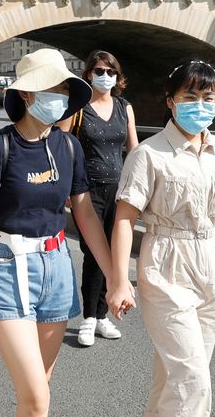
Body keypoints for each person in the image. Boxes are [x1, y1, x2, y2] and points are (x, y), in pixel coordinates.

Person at [107, 59, 215, 416]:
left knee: (176, 375)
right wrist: (119, 281)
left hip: (210, 261)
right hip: (164, 264)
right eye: (190, 95)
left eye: (208, 96)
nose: (200, 104)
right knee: (192, 379)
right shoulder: (148, 154)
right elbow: (124, 220)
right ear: (170, 100)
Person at [0, 49, 130, 416]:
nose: (60, 96)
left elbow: (84, 214)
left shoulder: (68, 146)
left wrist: (117, 279)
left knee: (38, 392)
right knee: (37, 398)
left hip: (56, 265)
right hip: (6, 265)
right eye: (50, 87)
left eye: (64, 88)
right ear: (25, 94)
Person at [57, 50, 138, 347]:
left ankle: (102, 315)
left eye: (111, 71)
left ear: (118, 76)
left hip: (120, 191)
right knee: (94, 253)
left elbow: (134, 150)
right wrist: (65, 187)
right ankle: (89, 318)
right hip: (86, 191)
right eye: (100, 70)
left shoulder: (124, 107)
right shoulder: (76, 108)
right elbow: (61, 146)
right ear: (88, 73)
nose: (106, 76)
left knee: (115, 251)